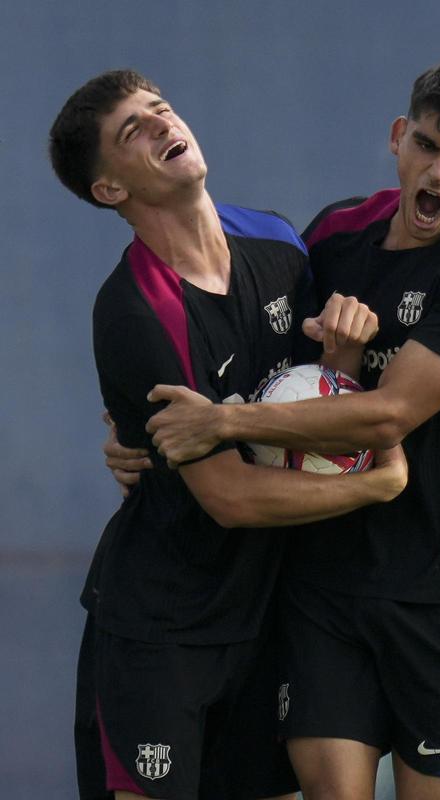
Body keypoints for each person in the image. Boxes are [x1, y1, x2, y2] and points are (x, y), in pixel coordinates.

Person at [137, 59, 440, 800]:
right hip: (324, 583)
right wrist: (144, 434)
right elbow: (268, 366)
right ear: (397, 138)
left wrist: (218, 423)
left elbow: (389, 413)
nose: (439, 173)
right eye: (426, 145)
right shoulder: (332, 235)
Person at [50, 70, 409, 800]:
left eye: (159, 110)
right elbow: (230, 497)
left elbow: (312, 403)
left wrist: (340, 355)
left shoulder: (278, 241)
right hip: (163, 627)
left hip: (272, 616)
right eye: (131, 132)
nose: (158, 125)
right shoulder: (134, 311)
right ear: (110, 190)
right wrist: (378, 482)